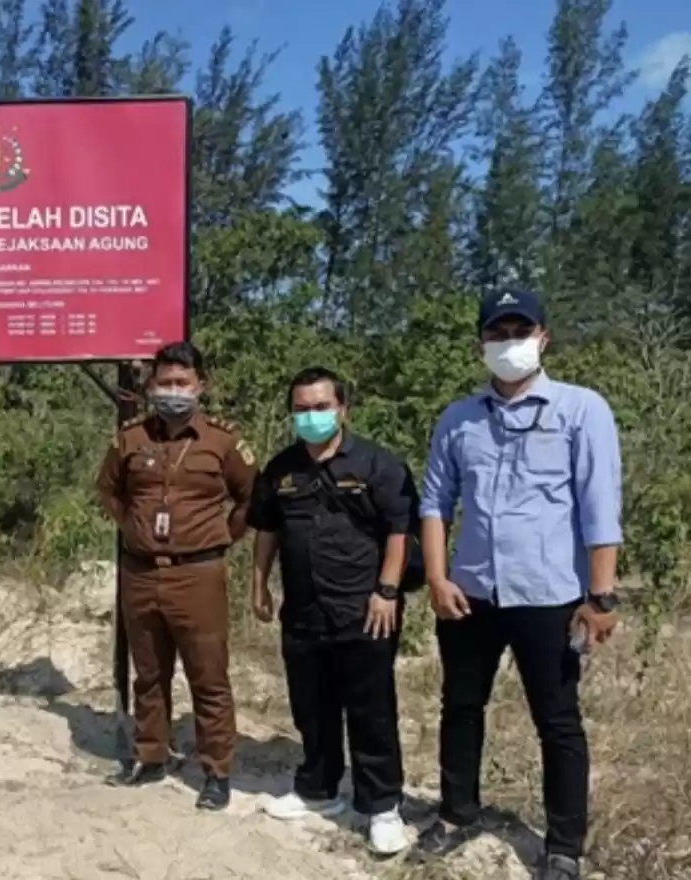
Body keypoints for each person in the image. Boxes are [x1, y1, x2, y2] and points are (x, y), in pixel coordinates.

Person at [415, 290, 622, 880]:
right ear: (481, 343)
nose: (509, 343)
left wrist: (601, 597)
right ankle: (456, 813)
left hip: (549, 597)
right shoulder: (459, 418)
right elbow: (435, 502)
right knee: (461, 706)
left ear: (543, 338)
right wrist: (437, 578)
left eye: (520, 331)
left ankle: (563, 846)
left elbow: (600, 507)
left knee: (557, 722)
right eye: (497, 333)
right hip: (470, 593)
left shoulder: (581, 410)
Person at [248, 367, 415, 855]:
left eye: (321, 407)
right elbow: (267, 530)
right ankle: (318, 789)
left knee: (371, 710)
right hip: (303, 609)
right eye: (301, 408)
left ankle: (381, 805)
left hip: (365, 609)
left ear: (343, 409)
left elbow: (399, 531)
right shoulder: (280, 470)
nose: (311, 416)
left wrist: (387, 591)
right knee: (311, 707)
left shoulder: (378, 464)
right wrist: (259, 585)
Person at [95, 341, 257, 811]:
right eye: (164, 382)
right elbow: (109, 491)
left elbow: (251, 498)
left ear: (200, 385)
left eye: (182, 382)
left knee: (208, 677)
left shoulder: (223, 441)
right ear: (151, 386)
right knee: (148, 673)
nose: (173, 391)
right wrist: (133, 528)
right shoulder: (131, 438)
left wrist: (221, 538)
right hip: (141, 573)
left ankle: (216, 772)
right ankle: (151, 756)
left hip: (198, 575)